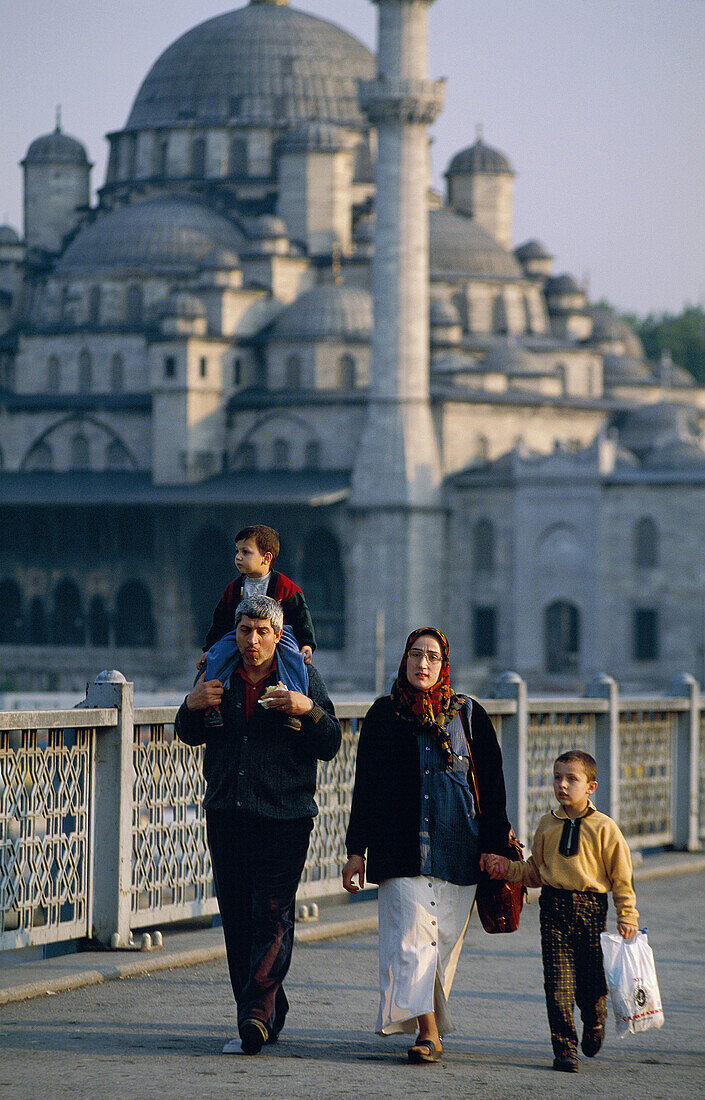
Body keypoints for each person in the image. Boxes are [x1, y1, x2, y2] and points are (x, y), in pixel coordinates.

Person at [175, 594, 341, 1055]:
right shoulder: (218, 672)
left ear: (277, 634)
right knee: (237, 919)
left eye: (262, 632)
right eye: (245, 630)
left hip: (284, 817)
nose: (252, 640)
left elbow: (331, 742)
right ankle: (267, 1007)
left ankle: (253, 1016)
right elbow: (186, 732)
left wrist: (306, 710)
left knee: (272, 914)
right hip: (227, 813)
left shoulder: (299, 675)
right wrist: (191, 704)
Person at [342, 627, 511, 1064]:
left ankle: (427, 1023)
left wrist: (496, 848)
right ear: (404, 659)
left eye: (432, 657)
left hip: (459, 847)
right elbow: (367, 787)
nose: (423, 664)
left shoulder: (469, 715)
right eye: (416, 654)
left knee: (443, 942)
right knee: (412, 939)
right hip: (399, 850)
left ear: (444, 664)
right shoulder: (384, 714)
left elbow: (492, 788)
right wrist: (355, 850)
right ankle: (428, 1032)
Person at [483, 750, 639, 1073]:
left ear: (591, 786)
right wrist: (505, 869)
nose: (562, 785)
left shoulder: (605, 829)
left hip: (591, 910)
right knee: (557, 984)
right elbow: (534, 872)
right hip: (553, 909)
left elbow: (622, 878)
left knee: (592, 984)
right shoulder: (547, 825)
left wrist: (628, 915)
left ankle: (595, 1021)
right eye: (557, 777)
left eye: (572, 779)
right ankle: (565, 1048)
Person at [198, 524, 316, 727]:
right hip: (239, 633)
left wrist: (306, 643)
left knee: (293, 660)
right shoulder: (235, 588)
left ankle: (293, 705)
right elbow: (220, 619)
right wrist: (209, 649)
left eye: (246, 552)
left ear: (266, 558)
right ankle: (213, 707)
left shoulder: (284, 586)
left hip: (279, 634)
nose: (238, 557)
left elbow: (301, 615)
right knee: (218, 656)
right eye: (237, 551)